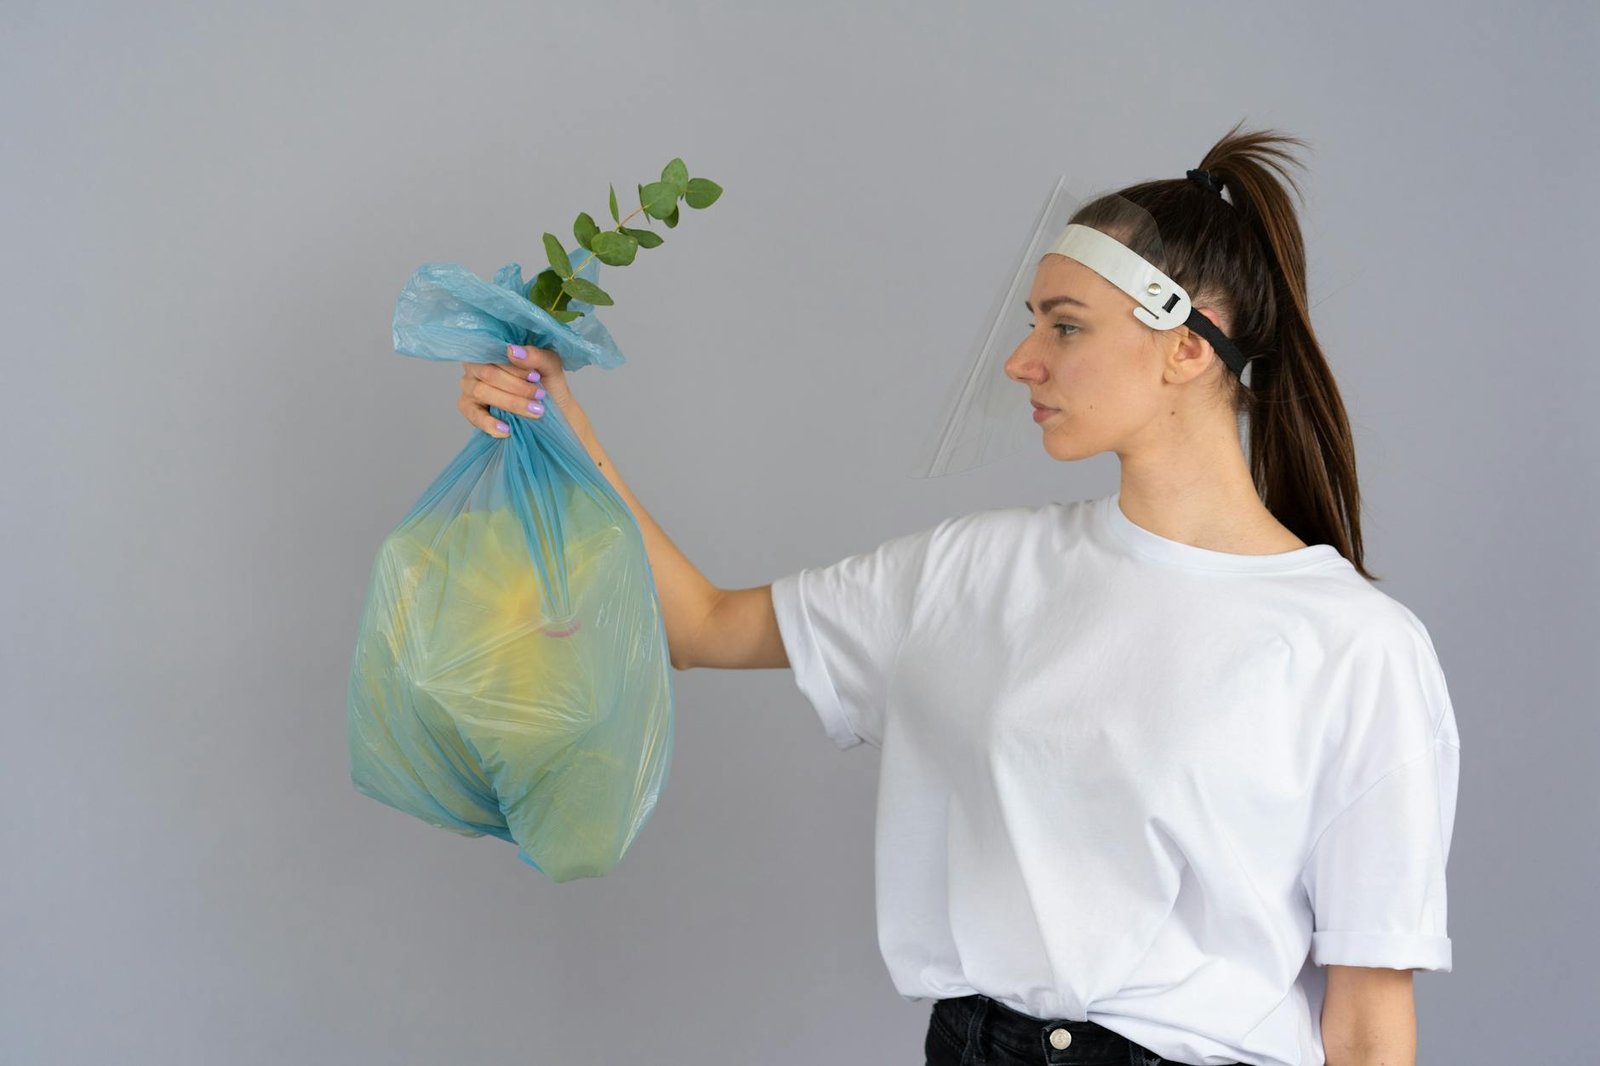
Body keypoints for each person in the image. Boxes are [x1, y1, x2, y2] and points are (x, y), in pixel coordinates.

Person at [452, 123, 1460, 1066]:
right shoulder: (974, 572)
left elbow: (1370, 1017)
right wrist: (560, 426)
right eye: (1030, 324)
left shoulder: (1353, 646)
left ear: (1187, 346)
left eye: (1064, 327)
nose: (1023, 361)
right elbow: (701, 624)